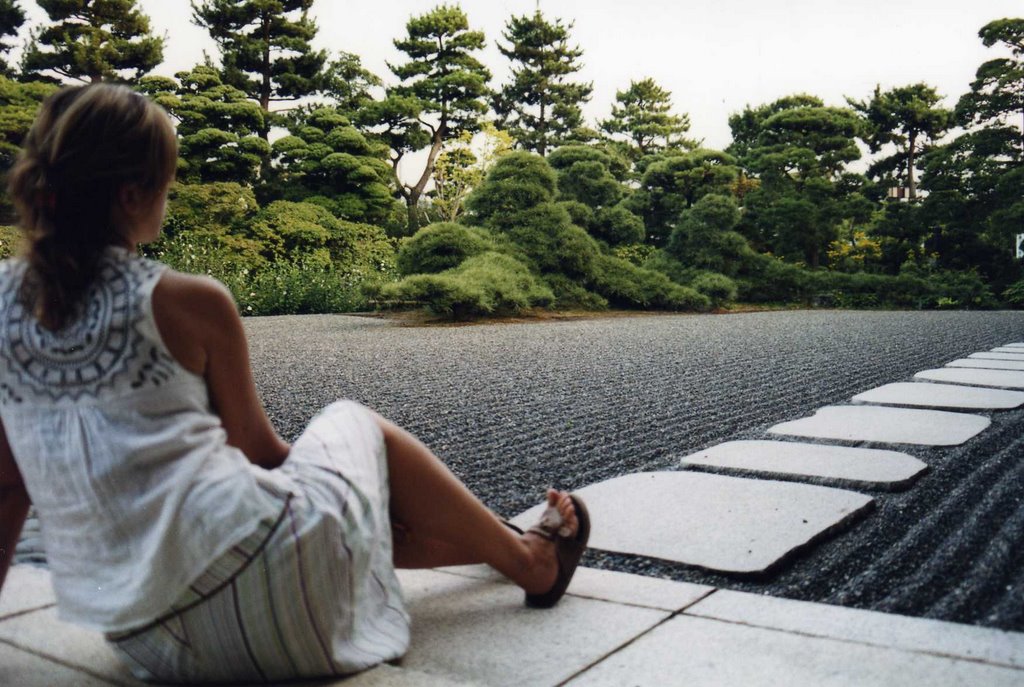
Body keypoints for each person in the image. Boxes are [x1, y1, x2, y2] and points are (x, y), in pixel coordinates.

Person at [0, 83, 590, 684]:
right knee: (351, 429)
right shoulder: (186, 301)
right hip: (286, 610)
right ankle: (526, 558)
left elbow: (6, 486)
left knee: (334, 513)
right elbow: (262, 454)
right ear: (132, 196)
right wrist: (351, 489)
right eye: (167, 187)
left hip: (155, 643)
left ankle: (508, 545)